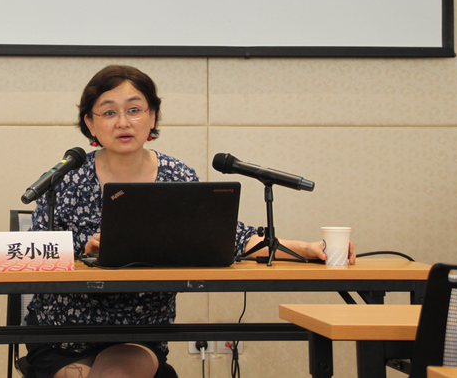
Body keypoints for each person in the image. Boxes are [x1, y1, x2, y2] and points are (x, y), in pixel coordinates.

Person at [24, 65, 355, 378]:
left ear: (152, 116)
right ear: (90, 123)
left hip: (138, 333)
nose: (123, 122)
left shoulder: (176, 176)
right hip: (61, 333)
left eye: (134, 110)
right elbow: (29, 251)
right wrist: (83, 249)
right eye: (109, 112)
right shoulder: (66, 177)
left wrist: (307, 249)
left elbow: (233, 238)